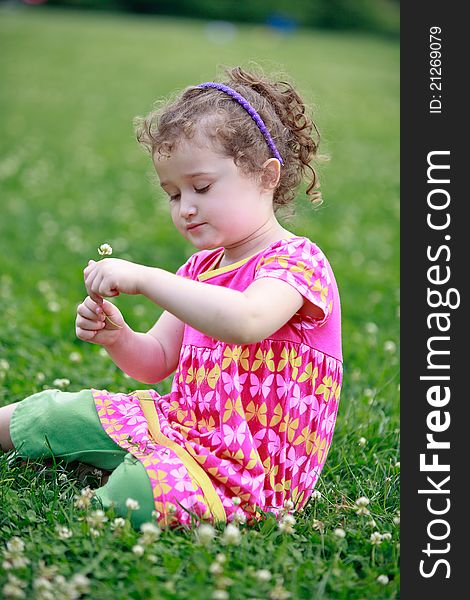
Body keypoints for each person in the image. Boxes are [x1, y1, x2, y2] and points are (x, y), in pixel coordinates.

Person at [0, 66, 342, 530]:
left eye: (201, 187)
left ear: (266, 177)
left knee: (133, 494)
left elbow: (245, 321)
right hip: (182, 428)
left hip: (250, 473)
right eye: (172, 193)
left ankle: (124, 479)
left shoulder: (299, 262)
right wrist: (119, 337)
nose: (186, 207)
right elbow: (157, 360)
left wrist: (147, 278)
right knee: (54, 412)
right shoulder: (200, 270)